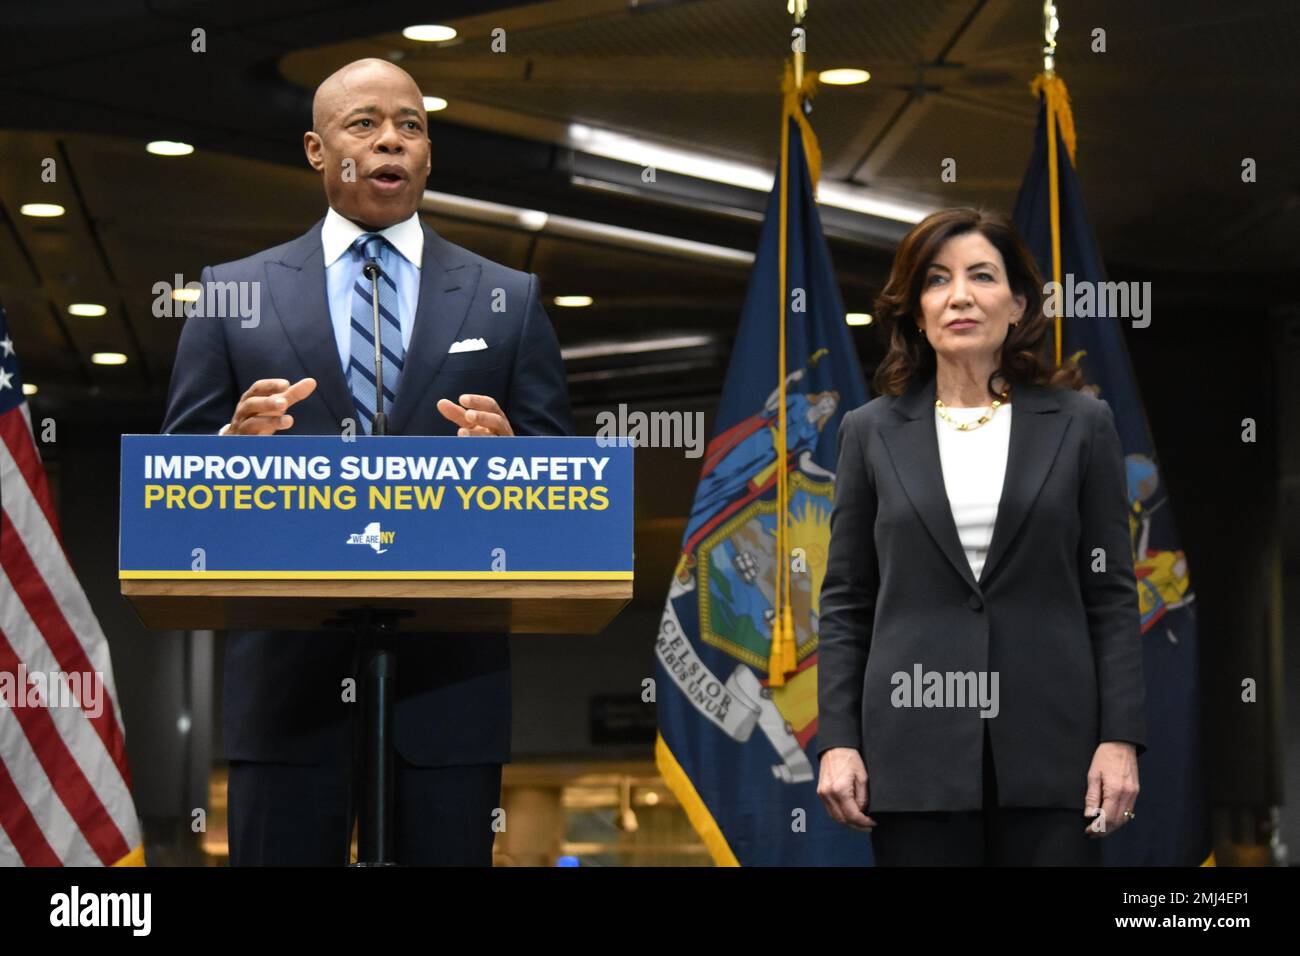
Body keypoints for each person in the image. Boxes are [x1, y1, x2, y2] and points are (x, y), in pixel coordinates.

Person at [160, 58, 572, 865]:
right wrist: (225, 453)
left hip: (450, 687)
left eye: (411, 126)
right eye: (365, 124)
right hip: (286, 687)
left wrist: (518, 460)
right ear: (317, 151)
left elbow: (564, 484)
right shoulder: (230, 294)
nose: (392, 140)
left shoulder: (508, 298)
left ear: (428, 153)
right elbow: (170, 483)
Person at [815, 207, 1144, 866]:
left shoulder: (1083, 424)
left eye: (982, 276)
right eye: (937, 280)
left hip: (1055, 754)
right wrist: (838, 740)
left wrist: (1121, 738)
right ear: (915, 308)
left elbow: (1110, 596)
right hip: (912, 754)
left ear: (1017, 304)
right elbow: (847, 602)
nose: (959, 295)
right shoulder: (867, 431)